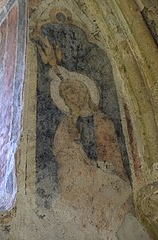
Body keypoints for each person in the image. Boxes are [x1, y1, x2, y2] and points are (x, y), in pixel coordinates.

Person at [51, 66, 132, 233]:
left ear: (84, 92)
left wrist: (102, 165)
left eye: (73, 92)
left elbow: (111, 149)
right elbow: (60, 150)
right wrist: (75, 143)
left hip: (104, 169)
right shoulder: (66, 123)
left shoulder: (101, 119)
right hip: (76, 171)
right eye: (66, 96)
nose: (70, 98)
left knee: (111, 190)